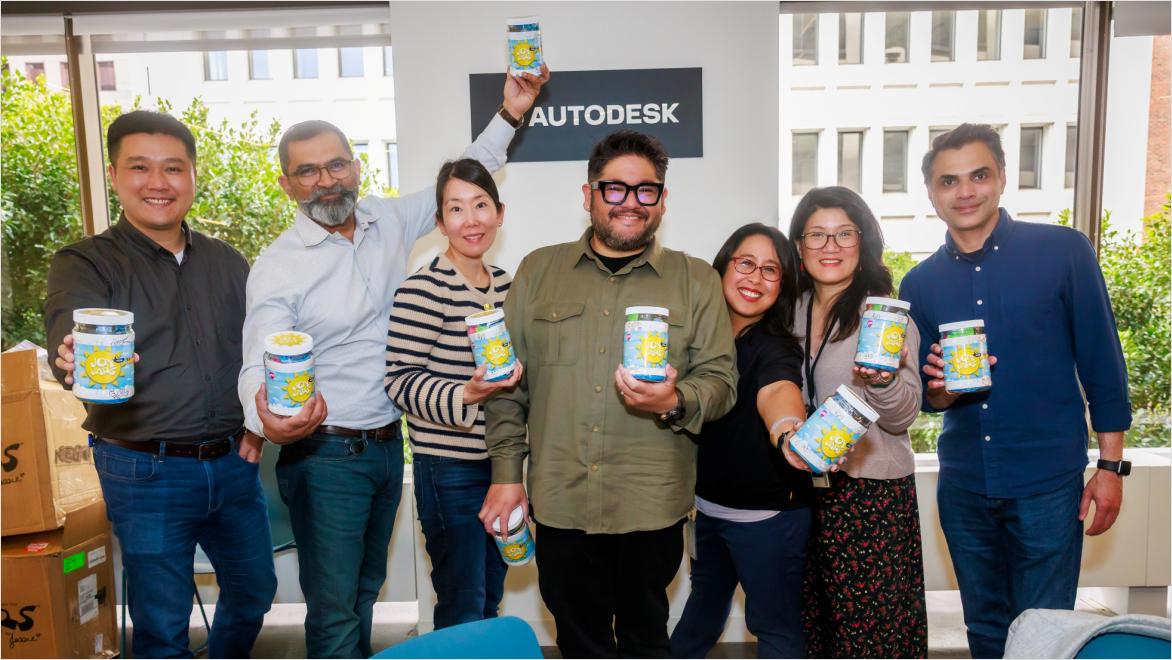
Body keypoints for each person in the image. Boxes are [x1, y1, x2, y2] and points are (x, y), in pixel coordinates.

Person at [238, 67, 548, 658]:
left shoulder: (385, 220)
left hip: (386, 446)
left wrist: (512, 112)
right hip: (323, 451)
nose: (325, 181)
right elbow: (261, 353)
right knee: (334, 609)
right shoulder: (279, 265)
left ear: (355, 167)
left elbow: (464, 177)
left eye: (335, 165)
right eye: (307, 171)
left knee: (365, 592)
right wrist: (262, 418)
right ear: (287, 185)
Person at [481, 129, 738, 658]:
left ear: (662, 200)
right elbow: (508, 387)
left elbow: (721, 382)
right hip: (561, 503)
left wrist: (674, 401)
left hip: (651, 505)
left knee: (646, 640)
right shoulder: (538, 272)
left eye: (646, 191)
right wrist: (507, 476)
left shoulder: (694, 280)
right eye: (614, 189)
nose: (630, 203)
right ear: (588, 195)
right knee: (579, 642)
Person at [45, 110, 276, 658]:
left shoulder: (228, 262)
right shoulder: (85, 261)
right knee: (162, 626)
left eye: (173, 168)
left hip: (234, 463)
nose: (158, 183)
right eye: (140, 168)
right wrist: (72, 356)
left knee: (253, 592)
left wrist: (257, 430)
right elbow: (70, 329)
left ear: (192, 175)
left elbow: (254, 354)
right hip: (143, 469)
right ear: (115, 174)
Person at [899, 124, 1131, 659]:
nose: (966, 191)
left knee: (1046, 634)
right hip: (964, 487)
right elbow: (931, 400)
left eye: (979, 175)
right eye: (949, 181)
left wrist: (1111, 467)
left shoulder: (1063, 251)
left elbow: (1103, 362)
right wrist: (942, 390)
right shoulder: (919, 284)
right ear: (932, 195)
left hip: (1048, 483)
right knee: (984, 630)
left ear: (1002, 177)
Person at [787, 186, 927, 657]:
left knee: (872, 635)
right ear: (799, 245)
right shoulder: (791, 310)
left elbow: (903, 416)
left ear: (863, 242)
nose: (830, 247)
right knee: (818, 629)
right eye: (818, 235)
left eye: (844, 234)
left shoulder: (882, 314)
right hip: (807, 489)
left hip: (870, 497)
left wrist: (882, 382)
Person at [384, 158, 523, 628]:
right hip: (448, 469)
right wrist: (466, 392)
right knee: (463, 599)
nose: (471, 220)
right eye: (456, 209)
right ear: (440, 222)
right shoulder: (424, 288)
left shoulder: (509, 286)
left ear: (499, 213)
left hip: (503, 467)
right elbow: (399, 381)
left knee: (491, 594)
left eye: (481, 205)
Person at [669, 223, 813, 659]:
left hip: (768, 519)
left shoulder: (775, 346)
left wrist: (789, 430)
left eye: (771, 270)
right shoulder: (698, 339)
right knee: (700, 616)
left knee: (775, 629)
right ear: (723, 266)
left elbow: (778, 390)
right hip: (708, 511)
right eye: (746, 263)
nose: (755, 277)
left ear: (782, 287)